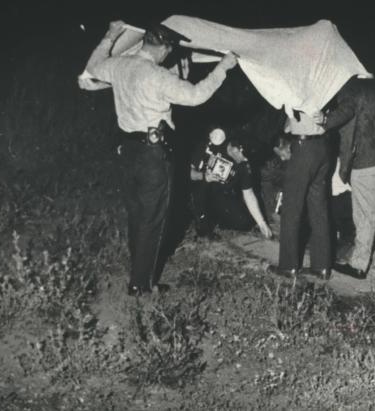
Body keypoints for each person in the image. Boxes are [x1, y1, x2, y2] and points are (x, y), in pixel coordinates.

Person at [79, 21, 239, 295]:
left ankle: (138, 273)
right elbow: (197, 95)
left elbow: (94, 66)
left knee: (137, 214)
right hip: (154, 155)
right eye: (168, 50)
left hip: (128, 150)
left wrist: (111, 35)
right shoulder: (157, 75)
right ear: (164, 48)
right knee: (153, 218)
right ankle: (140, 284)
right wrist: (223, 67)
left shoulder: (120, 65)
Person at [317, 78, 375, 279]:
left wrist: (323, 120)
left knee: (364, 214)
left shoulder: (349, 90)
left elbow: (343, 114)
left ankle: (359, 265)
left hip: (367, 161)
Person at [267, 110, 332, 279]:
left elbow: (288, 128)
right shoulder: (322, 92)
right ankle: (321, 266)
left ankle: (288, 266)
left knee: (291, 209)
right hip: (323, 148)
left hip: (303, 148)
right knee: (319, 209)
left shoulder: (296, 94)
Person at [190, 126, 273, 240]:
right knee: (202, 187)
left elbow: (248, 193)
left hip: (221, 195)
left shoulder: (244, 164)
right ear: (234, 148)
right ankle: (200, 218)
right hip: (202, 189)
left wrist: (262, 223)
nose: (244, 158)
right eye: (242, 154)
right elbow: (188, 174)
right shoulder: (212, 143)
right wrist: (204, 176)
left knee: (244, 222)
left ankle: (216, 218)